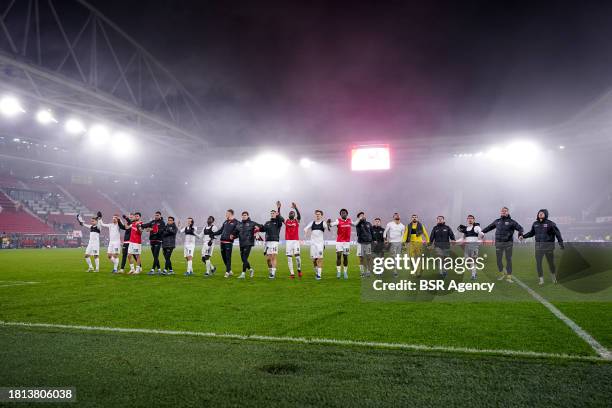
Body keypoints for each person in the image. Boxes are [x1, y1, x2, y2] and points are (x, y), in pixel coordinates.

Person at [522, 209, 564, 285]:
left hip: (548, 247)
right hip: (538, 248)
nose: (540, 214)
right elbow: (531, 233)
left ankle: (554, 278)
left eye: (542, 213)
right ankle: (541, 280)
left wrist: (561, 243)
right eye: (539, 213)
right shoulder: (535, 224)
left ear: (545, 214)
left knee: (551, 263)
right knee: (538, 263)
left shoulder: (551, 223)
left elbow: (558, 234)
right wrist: (523, 236)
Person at [482, 207, 524, 283]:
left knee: (508, 260)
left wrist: (520, 235)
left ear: (508, 212)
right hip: (498, 243)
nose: (503, 212)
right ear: (500, 212)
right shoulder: (497, 221)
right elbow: (488, 228)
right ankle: (502, 274)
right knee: (498, 260)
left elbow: (520, 228)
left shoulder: (512, 222)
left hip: (508, 243)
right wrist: (481, 232)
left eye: (505, 211)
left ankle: (509, 277)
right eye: (502, 211)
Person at [259, 201, 285, 279]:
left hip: (274, 241)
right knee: (268, 259)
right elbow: (262, 229)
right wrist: (257, 229)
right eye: (271, 213)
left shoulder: (278, 222)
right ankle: (270, 270)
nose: (272, 214)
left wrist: (279, 208)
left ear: (276, 214)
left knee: (273, 256)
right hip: (267, 242)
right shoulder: (267, 223)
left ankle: (273, 273)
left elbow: (281, 218)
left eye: (273, 213)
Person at [212, 209, 240, 278]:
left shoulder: (236, 222)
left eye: (227, 213)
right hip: (222, 242)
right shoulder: (225, 222)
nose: (226, 215)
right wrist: (213, 234)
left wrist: (233, 237)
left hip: (228, 242)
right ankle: (229, 270)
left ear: (231, 214)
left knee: (228, 257)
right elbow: (221, 230)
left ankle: (227, 272)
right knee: (224, 257)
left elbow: (239, 232)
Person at [327, 209, 353, 279]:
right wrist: (329, 223)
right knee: (338, 256)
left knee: (345, 257)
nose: (343, 214)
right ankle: (338, 272)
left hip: (347, 242)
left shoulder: (349, 220)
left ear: (347, 214)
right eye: (341, 213)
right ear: (340, 215)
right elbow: (332, 224)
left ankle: (345, 272)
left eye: (344, 213)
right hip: (339, 241)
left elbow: (355, 224)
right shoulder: (338, 220)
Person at [456, 215, 485, 280]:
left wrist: (480, 238)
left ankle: (473, 275)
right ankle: (474, 272)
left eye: (471, 218)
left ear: (474, 220)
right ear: (467, 220)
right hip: (467, 247)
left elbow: (481, 234)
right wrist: (455, 241)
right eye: (469, 218)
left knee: (473, 261)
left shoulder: (477, 227)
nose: (470, 219)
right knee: (467, 261)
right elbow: (462, 238)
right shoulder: (466, 229)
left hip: (474, 247)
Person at [236, 211, 262, 279]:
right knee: (243, 259)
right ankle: (250, 270)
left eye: (245, 215)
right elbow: (236, 232)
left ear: (248, 216)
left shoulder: (252, 223)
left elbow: (261, 226)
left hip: (249, 243)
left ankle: (243, 274)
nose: (244, 216)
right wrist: (232, 235)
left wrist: (258, 227)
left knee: (244, 258)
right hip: (241, 243)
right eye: (243, 215)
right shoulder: (239, 224)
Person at [141, 211, 165, 275]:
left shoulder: (162, 222)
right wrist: (139, 224)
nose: (156, 216)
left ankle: (152, 270)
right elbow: (145, 225)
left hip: (158, 240)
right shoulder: (152, 222)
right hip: (152, 240)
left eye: (157, 215)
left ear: (160, 216)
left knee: (155, 255)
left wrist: (152, 229)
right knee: (155, 256)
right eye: (155, 215)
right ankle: (159, 269)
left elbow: (161, 230)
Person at [304, 209, 326, 280]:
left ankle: (319, 275)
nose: (317, 215)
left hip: (320, 244)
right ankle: (317, 271)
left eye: (319, 214)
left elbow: (327, 227)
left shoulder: (323, 223)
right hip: (313, 244)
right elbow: (306, 228)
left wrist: (328, 225)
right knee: (314, 260)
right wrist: (306, 231)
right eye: (316, 214)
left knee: (320, 258)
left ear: (321, 215)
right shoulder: (312, 223)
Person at [284, 202, 303, 278]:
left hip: (295, 241)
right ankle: (292, 273)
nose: (291, 214)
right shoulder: (286, 221)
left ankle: (299, 270)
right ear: (289, 215)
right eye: (290, 213)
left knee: (297, 256)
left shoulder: (296, 221)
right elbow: (280, 218)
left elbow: (299, 216)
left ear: (294, 215)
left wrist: (295, 208)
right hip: (288, 241)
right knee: (289, 257)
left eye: (292, 214)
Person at [355, 211, 374, 277]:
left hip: (368, 243)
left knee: (368, 257)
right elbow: (358, 232)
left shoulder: (369, 223)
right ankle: (362, 272)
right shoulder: (358, 224)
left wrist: (373, 240)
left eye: (363, 215)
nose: (362, 216)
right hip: (361, 243)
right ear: (358, 218)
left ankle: (368, 271)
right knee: (361, 258)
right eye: (361, 215)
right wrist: (359, 221)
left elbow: (372, 233)